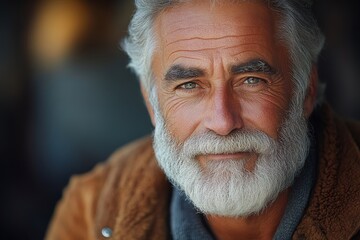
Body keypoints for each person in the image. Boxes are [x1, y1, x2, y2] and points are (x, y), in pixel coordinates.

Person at [46, 0, 360, 239]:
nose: (223, 122)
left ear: (304, 90)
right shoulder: (89, 208)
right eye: (189, 85)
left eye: (251, 80)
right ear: (152, 102)